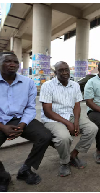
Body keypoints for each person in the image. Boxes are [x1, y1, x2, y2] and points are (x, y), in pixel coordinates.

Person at [0, 52, 52, 190]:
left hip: (21, 119)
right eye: (7, 61)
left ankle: (25, 169)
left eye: (15, 62)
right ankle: (2, 176)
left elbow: (30, 108)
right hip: (0, 122)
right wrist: (2, 127)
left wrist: (22, 125)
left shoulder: (28, 82)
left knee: (45, 136)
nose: (12, 64)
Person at [39, 61, 98, 177]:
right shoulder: (47, 86)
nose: (65, 73)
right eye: (61, 70)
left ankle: (73, 155)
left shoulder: (75, 85)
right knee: (64, 138)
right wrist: (68, 124)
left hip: (71, 115)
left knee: (92, 129)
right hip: (53, 119)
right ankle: (64, 162)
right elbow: (48, 111)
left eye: (66, 69)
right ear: (55, 72)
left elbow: (77, 105)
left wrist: (75, 122)